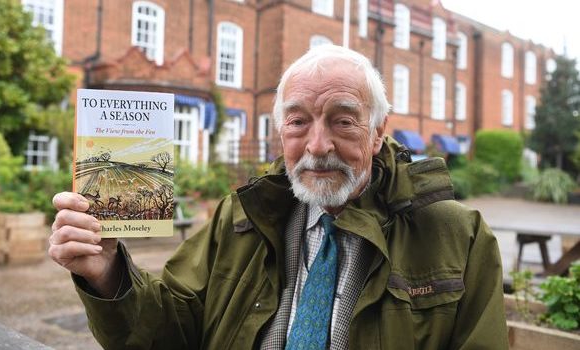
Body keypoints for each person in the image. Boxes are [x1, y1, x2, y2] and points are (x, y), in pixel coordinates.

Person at [49, 45, 508, 349]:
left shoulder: (457, 236)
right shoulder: (241, 217)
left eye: (343, 121)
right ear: (280, 131)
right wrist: (108, 273)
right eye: (298, 121)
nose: (318, 146)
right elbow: (171, 331)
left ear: (376, 133)